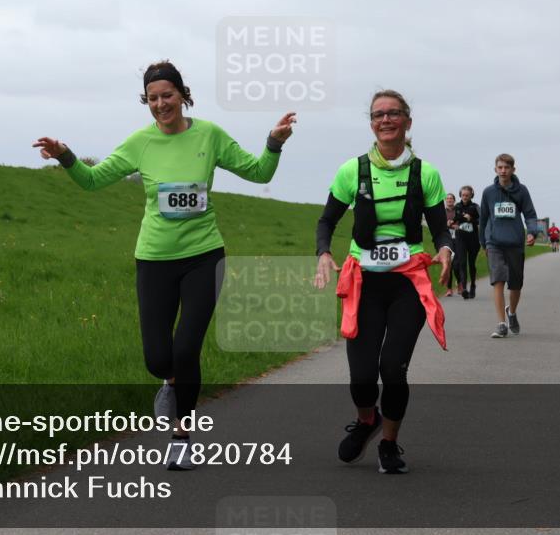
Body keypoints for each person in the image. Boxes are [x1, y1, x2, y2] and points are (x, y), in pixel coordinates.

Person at [34, 61, 296, 470]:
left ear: (182, 95)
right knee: (159, 358)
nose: (161, 104)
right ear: (147, 101)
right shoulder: (140, 143)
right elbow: (92, 180)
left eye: (167, 96)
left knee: (187, 348)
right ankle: (169, 382)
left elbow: (258, 170)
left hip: (204, 257)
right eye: (153, 98)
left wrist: (274, 142)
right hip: (154, 259)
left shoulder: (209, 135)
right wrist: (65, 155)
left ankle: (181, 435)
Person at [314, 89, 452, 475]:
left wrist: (446, 251)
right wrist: (324, 252)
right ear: (371, 123)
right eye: (378, 115)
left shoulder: (425, 173)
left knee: (393, 369)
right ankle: (366, 420)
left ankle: (389, 443)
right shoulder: (352, 171)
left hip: (407, 283)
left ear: (408, 122)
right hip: (364, 285)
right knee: (361, 377)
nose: (386, 120)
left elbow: (441, 230)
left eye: (394, 114)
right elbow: (327, 220)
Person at [478, 154, 538, 339]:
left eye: (506, 167)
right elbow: (483, 219)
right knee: (498, 280)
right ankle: (501, 323)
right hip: (494, 243)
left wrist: (532, 232)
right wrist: (483, 242)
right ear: (495, 169)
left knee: (515, 285)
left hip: (515, 243)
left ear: (513, 169)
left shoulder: (522, 191)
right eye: (500, 167)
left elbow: (530, 214)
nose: (503, 170)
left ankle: (511, 312)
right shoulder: (488, 192)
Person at [453, 185, 481, 299]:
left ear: (471, 196)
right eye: (463, 195)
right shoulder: (457, 206)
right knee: (462, 263)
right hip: (460, 238)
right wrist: (452, 222)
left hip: (473, 238)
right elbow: (455, 218)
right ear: (460, 195)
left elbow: (481, 219)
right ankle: (464, 288)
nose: (464, 197)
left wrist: (472, 219)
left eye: (467, 195)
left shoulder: (475, 207)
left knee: (471, 264)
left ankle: (473, 286)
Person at [443, 193, 458, 297]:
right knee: (448, 264)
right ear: (445, 200)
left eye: (451, 198)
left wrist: (457, 225)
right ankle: (449, 289)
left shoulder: (458, 210)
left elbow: (462, 222)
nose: (449, 200)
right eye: (447, 199)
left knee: (457, 264)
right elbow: (438, 224)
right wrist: (446, 224)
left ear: (454, 200)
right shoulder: (442, 212)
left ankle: (460, 284)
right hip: (447, 239)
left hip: (458, 238)